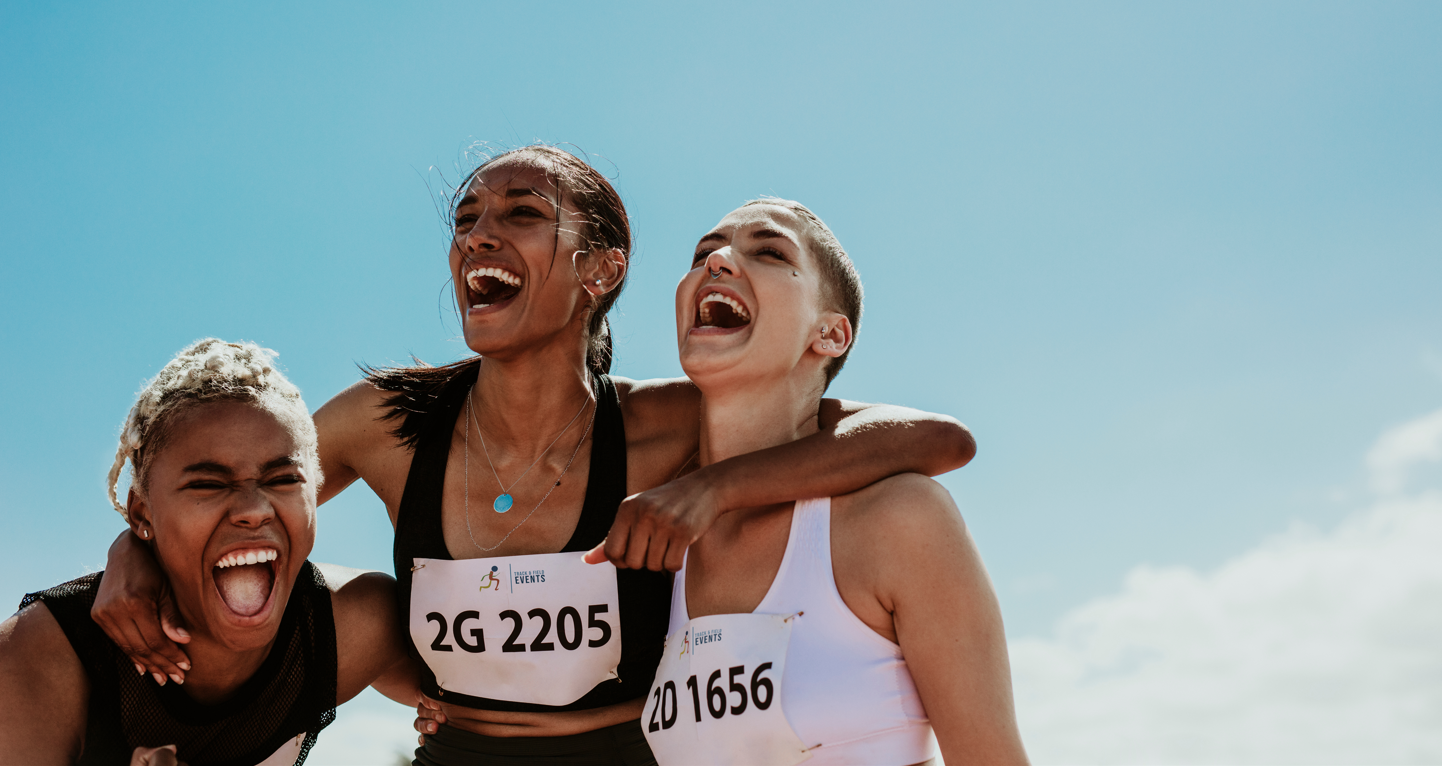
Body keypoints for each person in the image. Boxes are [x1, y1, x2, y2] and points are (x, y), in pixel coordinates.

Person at [93, 147, 977, 765]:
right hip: (451, 759)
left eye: (521, 215)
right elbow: (240, 510)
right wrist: (128, 551)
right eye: (467, 218)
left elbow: (929, 439)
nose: (479, 235)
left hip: (634, 758)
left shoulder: (667, 423)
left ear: (599, 271)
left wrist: (709, 489)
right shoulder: (387, 421)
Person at [638, 199, 1030, 765]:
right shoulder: (653, 539)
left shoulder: (899, 518)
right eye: (703, 252)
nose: (717, 261)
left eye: (769, 252)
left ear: (831, 334)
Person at [0, 339, 415, 766]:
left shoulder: (356, 625)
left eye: (283, 479)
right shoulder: (35, 662)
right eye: (208, 485)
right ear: (141, 513)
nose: (254, 510)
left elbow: (474, 712)